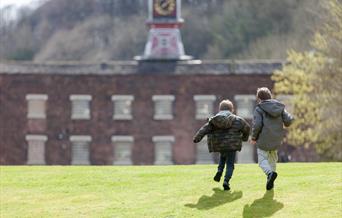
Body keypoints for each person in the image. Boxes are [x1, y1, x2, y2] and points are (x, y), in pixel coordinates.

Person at [193, 99, 250, 190]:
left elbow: (204, 129)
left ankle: (219, 171)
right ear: (232, 109)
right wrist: (244, 138)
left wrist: (197, 138)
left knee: (223, 156)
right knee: (230, 164)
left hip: (219, 144)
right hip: (232, 145)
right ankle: (226, 181)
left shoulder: (214, 120)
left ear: (220, 109)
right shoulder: (238, 120)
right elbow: (247, 129)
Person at [250, 87, 294, 190]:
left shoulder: (259, 109)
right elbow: (288, 120)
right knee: (273, 160)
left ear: (259, 98)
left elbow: (257, 125)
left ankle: (270, 174)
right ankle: (271, 183)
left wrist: (253, 137)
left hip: (263, 139)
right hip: (276, 138)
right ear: (270, 95)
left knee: (262, 161)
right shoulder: (279, 107)